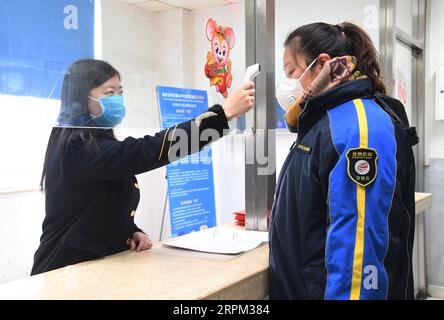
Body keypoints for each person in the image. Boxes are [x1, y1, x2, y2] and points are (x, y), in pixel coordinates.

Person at [31, 59, 255, 275]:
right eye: (109, 93)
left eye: (120, 92)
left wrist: (130, 232)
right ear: (81, 98)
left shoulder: (97, 141)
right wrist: (222, 114)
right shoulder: (75, 147)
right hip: (64, 271)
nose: (117, 99)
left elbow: (98, 205)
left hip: (97, 270)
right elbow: (147, 150)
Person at [271, 22, 418, 300]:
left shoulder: (359, 127)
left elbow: (361, 254)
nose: (288, 83)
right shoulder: (325, 122)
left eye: (291, 72)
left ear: (322, 63)